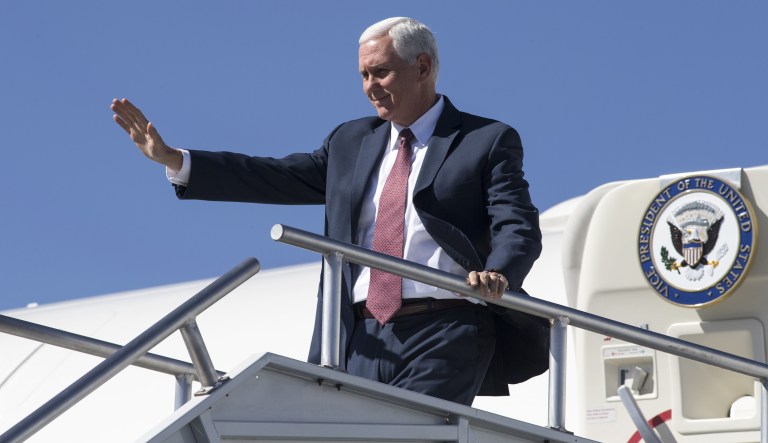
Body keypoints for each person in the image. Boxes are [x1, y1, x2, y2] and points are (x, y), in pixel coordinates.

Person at [112, 17, 548, 406]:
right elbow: (275, 175)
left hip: (446, 327)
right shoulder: (350, 141)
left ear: (423, 67)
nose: (370, 85)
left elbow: (516, 223)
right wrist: (176, 160)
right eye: (363, 75)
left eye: (381, 71)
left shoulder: (484, 139)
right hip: (356, 337)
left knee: (411, 435)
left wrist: (500, 273)